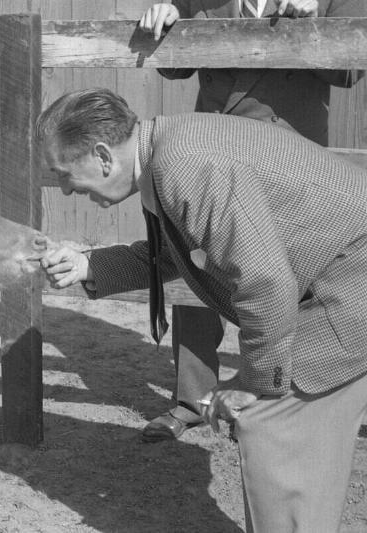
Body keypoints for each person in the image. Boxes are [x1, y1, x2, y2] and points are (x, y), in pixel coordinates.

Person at [37, 86, 367, 533]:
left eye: (63, 173)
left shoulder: (183, 165)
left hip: (352, 284)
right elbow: (181, 251)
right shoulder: (170, 149)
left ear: (101, 156)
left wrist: (255, 387)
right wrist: (88, 264)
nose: (63, 189)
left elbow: (265, 282)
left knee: (271, 421)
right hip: (344, 276)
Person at [135, 0, 366, 442]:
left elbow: (351, 71)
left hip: (289, 164)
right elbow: (170, 68)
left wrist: (313, 16)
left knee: (283, 282)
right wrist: (164, 19)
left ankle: (272, 401)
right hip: (213, 154)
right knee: (195, 264)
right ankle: (192, 399)